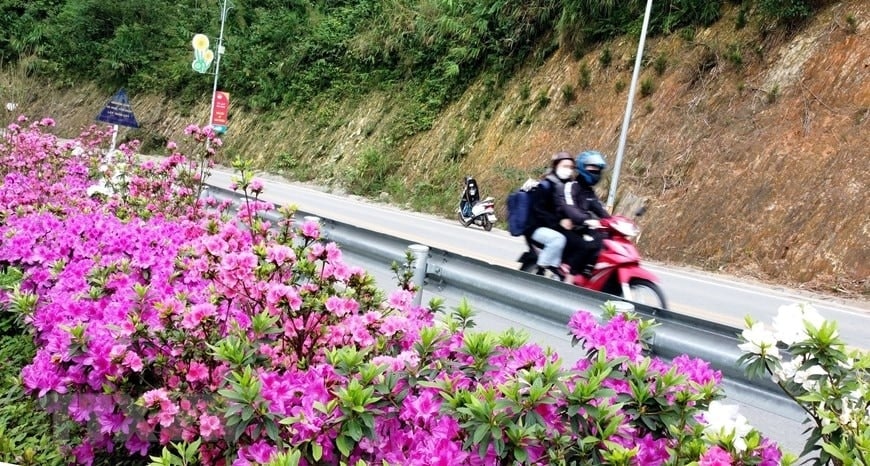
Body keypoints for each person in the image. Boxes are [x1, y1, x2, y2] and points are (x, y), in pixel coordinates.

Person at [555, 150, 611, 278]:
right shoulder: (571, 186)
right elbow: (570, 208)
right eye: (591, 167)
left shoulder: (589, 192)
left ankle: (591, 274)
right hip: (566, 227)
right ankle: (569, 279)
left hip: (581, 228)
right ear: (582, 168)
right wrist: (586, 220)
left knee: (605, 240)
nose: (595, 171)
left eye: (597, 169)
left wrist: (615, 223)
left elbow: (601, 210)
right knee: (586, 245)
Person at [525, 152, 575, 280]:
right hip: (536, 227)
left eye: (570, 167)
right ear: (556, 166)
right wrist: (559, 222)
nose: (568, 170)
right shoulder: (546, 185)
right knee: (558, 240)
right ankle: (541, 271)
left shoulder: (569, 186)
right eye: (565, 166)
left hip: (552, 226)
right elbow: (539, 211)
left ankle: (561, 272)